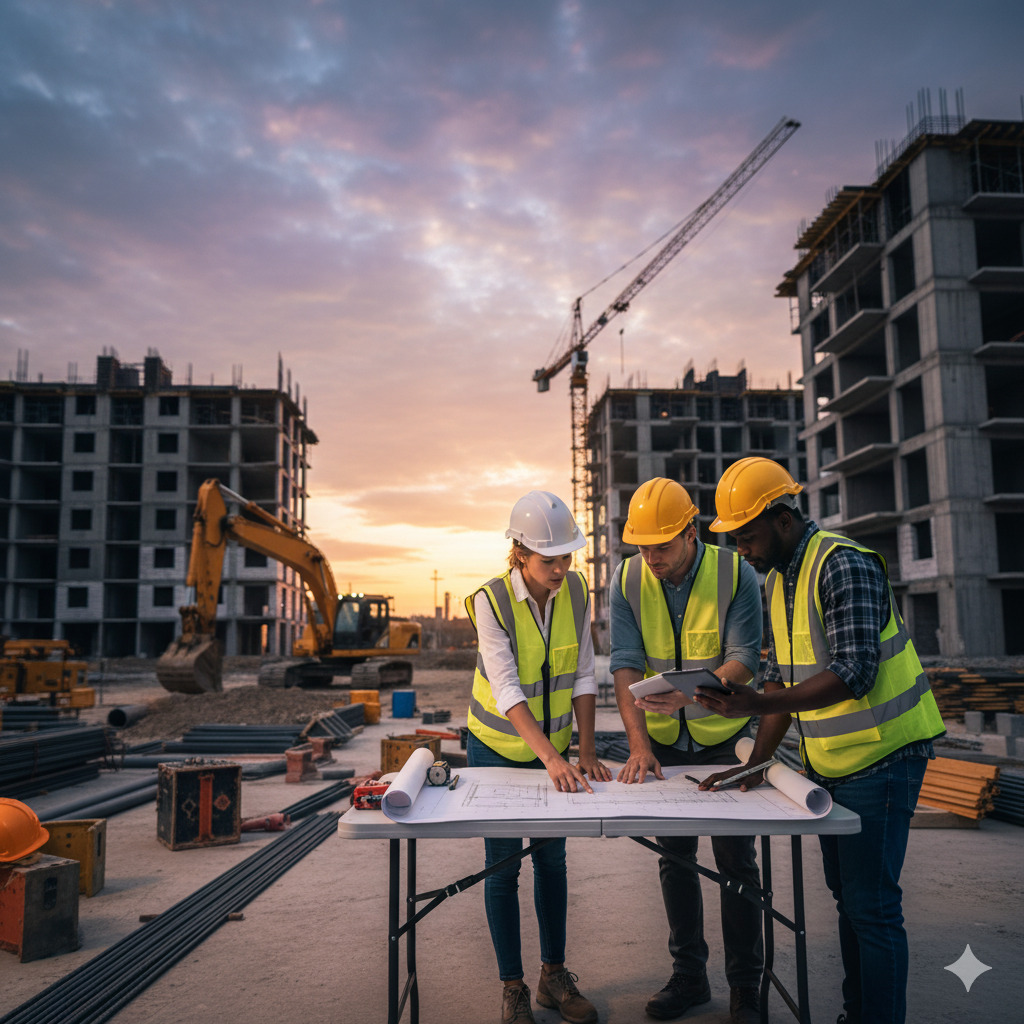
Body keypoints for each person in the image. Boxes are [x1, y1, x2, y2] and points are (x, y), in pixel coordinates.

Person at [696, 457, 946, 1024]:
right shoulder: (782, 577)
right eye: (735, 539)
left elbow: (854, 671)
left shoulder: (841, 565)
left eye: (749, 535)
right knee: (850, 903)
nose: (742, 550)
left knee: (872, 909)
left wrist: (756, 703)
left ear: (783, 519)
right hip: (838, 765)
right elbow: (784, 682)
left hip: (886, 756)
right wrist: (750, 766)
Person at [609, 477, 765, 1024]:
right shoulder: (627, 579)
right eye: (642, 545)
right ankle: (689, 977)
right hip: (667, 746)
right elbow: (625, 662)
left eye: (662, 546)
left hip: (724, 740)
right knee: (675, 860)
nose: (650, 557)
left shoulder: (733, 571)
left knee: (735, 860)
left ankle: (747, 984)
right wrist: (638, 744)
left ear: (690, 533)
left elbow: (746, 655)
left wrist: (693, 697)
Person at [466, 490, 611, 1024]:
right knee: (503, 867)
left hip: (555, 747)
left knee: (552, 861)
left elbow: (582, 670)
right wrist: (552, 760)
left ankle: (554, 977)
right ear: (519, 553)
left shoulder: (575, 591)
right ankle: (513, 987)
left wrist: (586, 750)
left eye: (567, 557)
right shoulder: (491, 601)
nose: (561, 568)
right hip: (497, 748)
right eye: (550, 560)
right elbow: (506, 689)